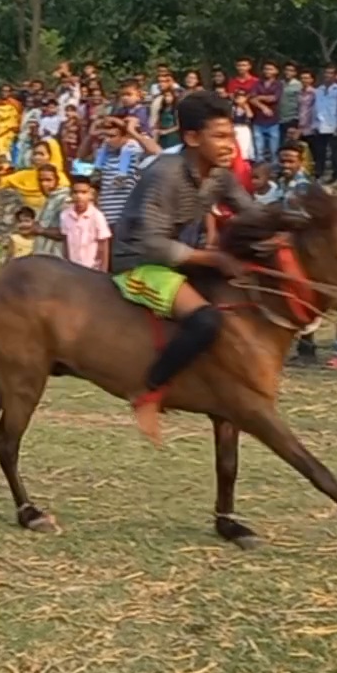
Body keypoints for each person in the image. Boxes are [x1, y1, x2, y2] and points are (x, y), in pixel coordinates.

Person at [111, 91, 255, 443]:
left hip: (179, 260)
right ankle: (149, 391)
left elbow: (254, 214)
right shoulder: (165, 173)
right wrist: (213, 258)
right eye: (220, 136)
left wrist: (298, 222)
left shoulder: (219, 175)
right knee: (206, 319)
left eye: (232, 135)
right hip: (138, 262)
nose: (230, 145)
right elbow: (152, 244)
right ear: (191, 137)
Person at [58, 175, 112, 272]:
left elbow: (104, 247)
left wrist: (103, 272)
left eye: (84, 192)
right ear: (70, 194)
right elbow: (65, 243)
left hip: (92, 269)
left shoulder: (97, 216)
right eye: (75, 192)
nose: (79, 196)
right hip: (73, 268)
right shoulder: (65, 215)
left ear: (90, 194)